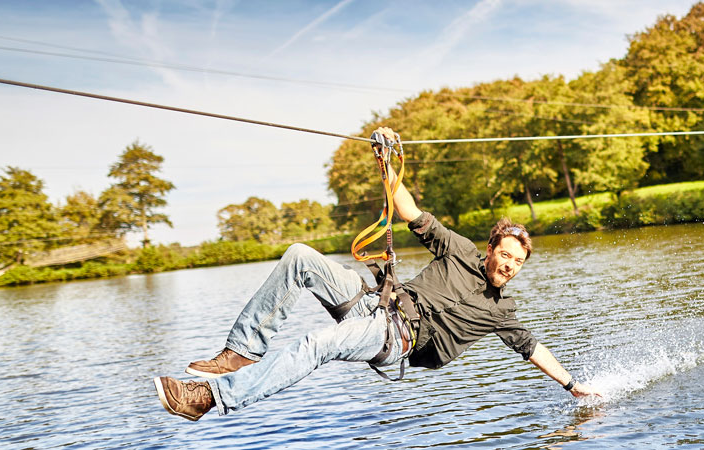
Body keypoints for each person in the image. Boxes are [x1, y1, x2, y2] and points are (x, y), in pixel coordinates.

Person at [152, 127, 601, 421]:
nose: (509, 266)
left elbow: (533, 348)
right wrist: (387, 164)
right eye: (505, 255)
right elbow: (409, 211)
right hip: (378, 301)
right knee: (300, 256)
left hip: (397, 339)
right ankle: (242, 350)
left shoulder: (501, 312)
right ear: (489, 250)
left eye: (517, 262)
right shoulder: (460, 248)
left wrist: (571, 384)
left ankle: (209, 398)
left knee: (317, 344)